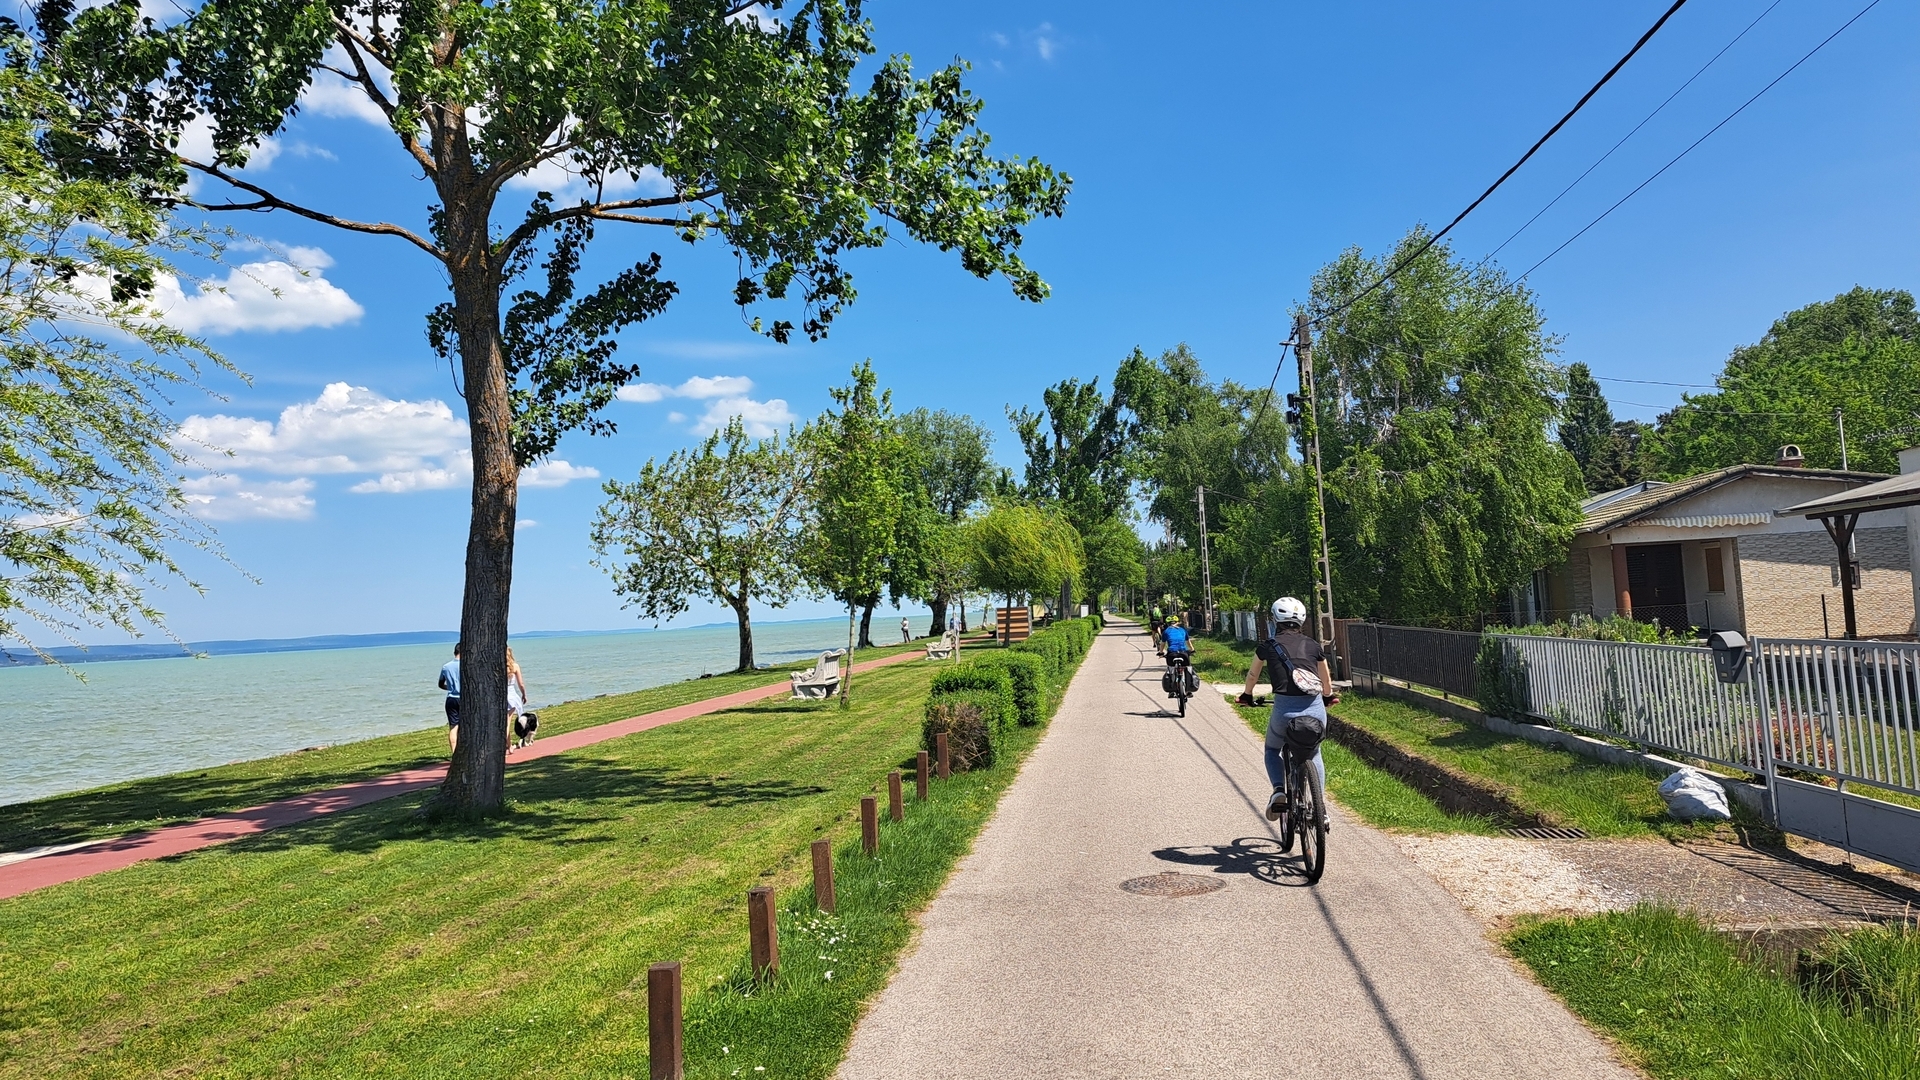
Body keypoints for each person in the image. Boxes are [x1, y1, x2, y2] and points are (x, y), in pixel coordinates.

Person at [1238, 597, 1340, 827]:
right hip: (1314, 710)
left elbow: (1253, 675)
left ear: (1275, 619)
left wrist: (1247, 696)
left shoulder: (1268, 645)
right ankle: (1320, 809)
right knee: (1314, 753)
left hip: (1284, 710)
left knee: (1273, 749)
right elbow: (1326, 679)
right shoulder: (1313, 645)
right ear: (1302, 620)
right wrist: (1327, 697)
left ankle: (1278, 790)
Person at [438, 642, 463, 755]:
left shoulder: (446, 667)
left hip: (451, 698)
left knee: (453, 727)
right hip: (464, 698)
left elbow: (440, 683)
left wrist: (449, 688)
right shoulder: (466, 666)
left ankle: (454, 753)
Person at [505, 646, 529, 752]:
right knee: (508, 722)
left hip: (501, 696)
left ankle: (508, 744)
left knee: (505, 721)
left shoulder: (496, 667)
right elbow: (521, 684)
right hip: (511, 696)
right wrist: (524, 694)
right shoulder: (514, 666)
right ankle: (510, 746)